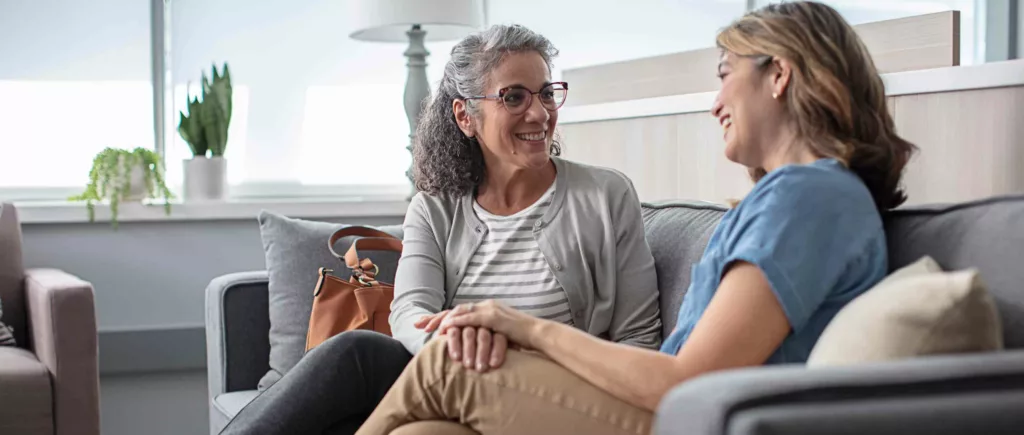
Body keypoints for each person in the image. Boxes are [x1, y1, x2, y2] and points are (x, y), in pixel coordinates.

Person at [355, 2, 917, 434]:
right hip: (669, 406)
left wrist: (521, 326)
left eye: (725, 74)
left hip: (687, 418)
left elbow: (689, 378)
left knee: (446, 370)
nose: (715, 102)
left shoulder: (809, 199)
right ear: (465, 116)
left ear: (780, 76)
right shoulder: (793, 197)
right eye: (514, 97)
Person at [219, 24, 662, 435]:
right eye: (514, 97)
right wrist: (459, 337)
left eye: (546, 93)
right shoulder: (434, 207)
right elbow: (410, 308)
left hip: (549, 393)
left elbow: (640, 340)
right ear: (465, 117)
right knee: (357, 358)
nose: (540, 112)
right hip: (453, 378)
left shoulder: (606, 195)